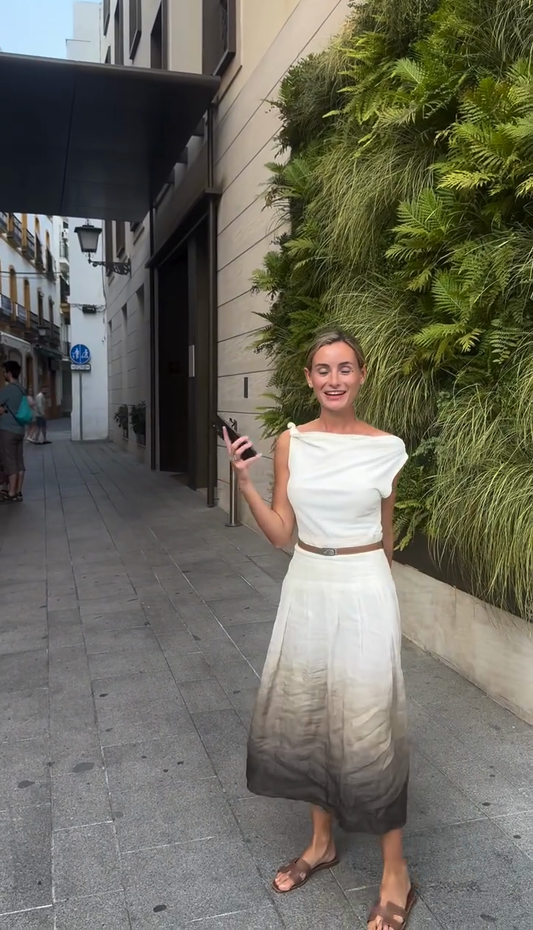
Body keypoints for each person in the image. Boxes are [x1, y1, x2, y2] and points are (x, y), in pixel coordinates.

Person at [223, 328, 415, 930]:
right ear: (309, 378)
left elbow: (386, 538)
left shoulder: (389, 447)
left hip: (364, 586)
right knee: (309, 712)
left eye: (345, 368)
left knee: (371, 723)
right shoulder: (290, 443)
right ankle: (321, 843)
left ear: (361, 376)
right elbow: (283, 533)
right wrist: (246, 484)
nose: (334, 379)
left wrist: (382, 602)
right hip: (307, 583)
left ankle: (395, 872)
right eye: (322, 369)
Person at [0, 360, 27, 502]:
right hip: (20, 429)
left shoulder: (8, 389)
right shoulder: (22, 389)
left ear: (9, 373)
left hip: (8, 430)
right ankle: (18, 491)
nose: (4, 374)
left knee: (10, 461)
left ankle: (11, 493)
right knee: (19, 461)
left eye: (4, 372)